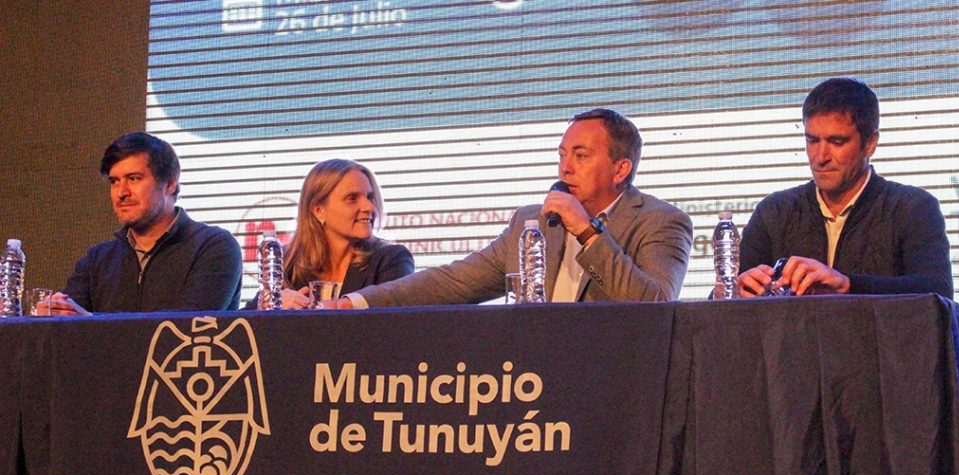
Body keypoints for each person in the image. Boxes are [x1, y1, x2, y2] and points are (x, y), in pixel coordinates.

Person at [342, 108, 693, 308]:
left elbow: (656, 305)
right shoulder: (531, 221)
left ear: (620, 169)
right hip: (532, 383)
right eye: (562, 155)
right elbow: (453, 282)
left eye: (581, 156)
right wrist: (355, 302)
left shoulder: (661, 222)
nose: (565, 168)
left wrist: (588, 232)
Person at [736, 78, 954, 298]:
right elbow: (729, 299)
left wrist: (848, 285)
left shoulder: (912, 208)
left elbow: (938, 292)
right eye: (812, 141)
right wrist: (736, 291)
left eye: (837, 142)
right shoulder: (773, 212)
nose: (820, 157)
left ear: (870, 143)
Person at [45, 132, 243, 315]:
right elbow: (67, 326)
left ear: (169, 184)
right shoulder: (97, 259)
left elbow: (188, 328)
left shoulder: (214, 246)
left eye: (133, 178)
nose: (121, 192)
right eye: (114, 181)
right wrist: (53, 313)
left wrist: (89, 321)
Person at [244, 159, 413, 309]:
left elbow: (392, 324)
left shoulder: (391, 259)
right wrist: (272, 304)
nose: (369, 207)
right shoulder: (288, 262)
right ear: (318, 210)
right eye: (352, 198)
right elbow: (241, 324)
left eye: (370, 197)